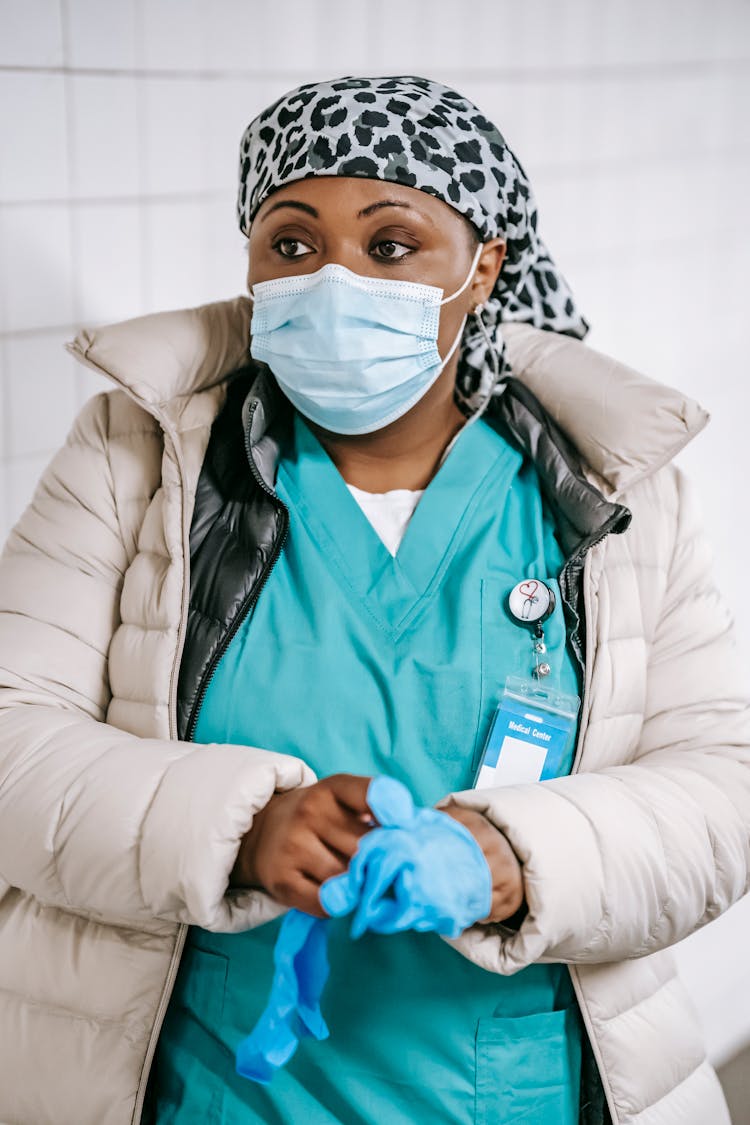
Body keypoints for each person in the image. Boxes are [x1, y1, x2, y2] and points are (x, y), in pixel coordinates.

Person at [0, 74, 747, 1125]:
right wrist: (246, 830)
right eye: (293, 246)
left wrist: (516, 858)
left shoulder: (611, 490)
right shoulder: (137, 460)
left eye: (391, 246)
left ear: (483, 266)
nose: (334, 282)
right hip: (208, 1090)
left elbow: (723, 789)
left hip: (516, 1092)